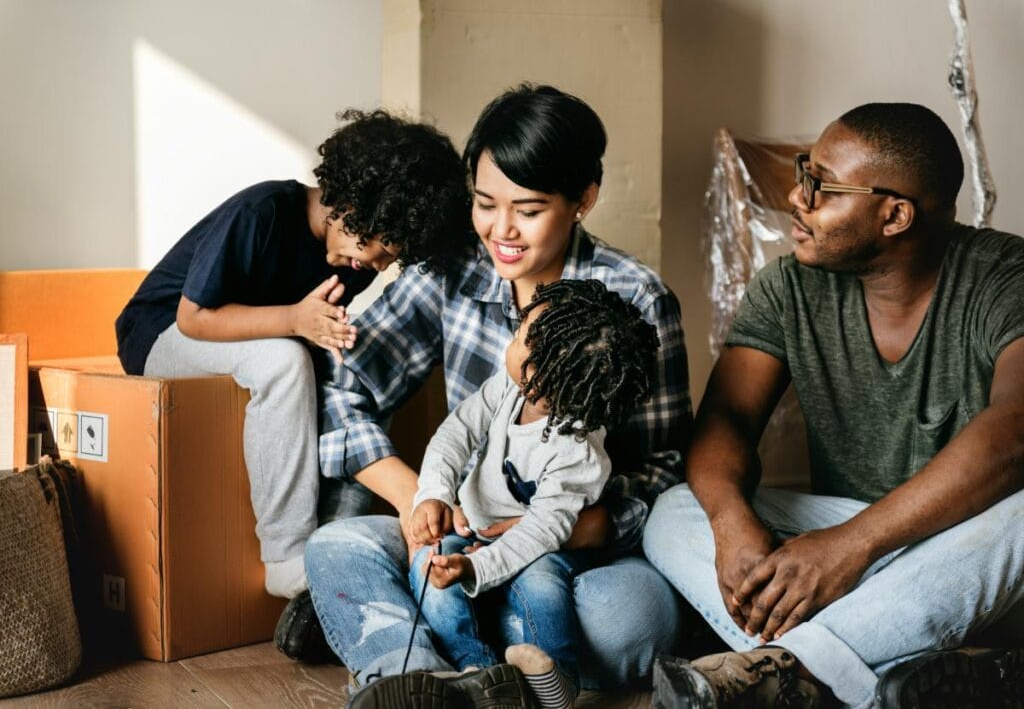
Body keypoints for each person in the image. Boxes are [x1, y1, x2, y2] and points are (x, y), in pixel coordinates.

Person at [300, 84, 693, 705]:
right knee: (335, 549)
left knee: (632, 621)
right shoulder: (452, 269)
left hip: (567, 550)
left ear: (582, 201)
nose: (500, 231)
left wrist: (563, 529)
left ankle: (434, 649)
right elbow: (342, 385)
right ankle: (428, 678)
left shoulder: (635, 300)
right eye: (485, 203)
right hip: (457, 526)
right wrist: (417, 498)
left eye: (529, 210)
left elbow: (664, 470)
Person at [644, 102, 1024, 708]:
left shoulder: (1007, 275)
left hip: (966, 543)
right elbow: (727, 420)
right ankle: (876, 665)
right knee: (674, 509)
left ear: (895, 215)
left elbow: (1014, 432)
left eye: (821, 185)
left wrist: (851, 549)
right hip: (853, 546)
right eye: (804, 172)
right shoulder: (788, 287)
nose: (797, 197)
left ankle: (786, 671)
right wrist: (731, 524)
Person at [115, 109, 473, 599]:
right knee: (283, 362)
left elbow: (310, 329)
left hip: (248, 338)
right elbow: (193, 317)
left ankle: (336, 535)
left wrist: (328, 337)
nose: (376, 264)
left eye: (392, 257)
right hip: (157, 334)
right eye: (378, 245)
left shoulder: (354, 260)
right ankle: (285, 555)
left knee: (356, 368)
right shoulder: (260, 212)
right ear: (351, 202)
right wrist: (295, 322)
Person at [400, 278, 660, 709]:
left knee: (539, 584)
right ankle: (477, 671)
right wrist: (434, 493)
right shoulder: (510, 386)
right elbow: (457, 432)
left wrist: (475, 567)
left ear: (540, 373)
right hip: (477, 531)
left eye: (520, 336)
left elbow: (542, 532)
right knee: (427, 567)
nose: (512, 337)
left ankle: (559, 679)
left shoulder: (577, 451)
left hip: (542, 545)